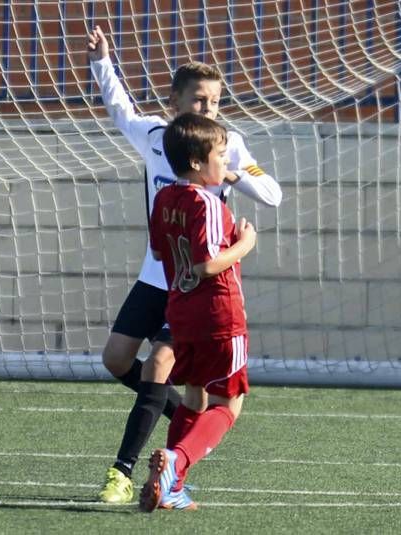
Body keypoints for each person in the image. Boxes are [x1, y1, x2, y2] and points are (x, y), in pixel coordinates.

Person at [87, 26, 282, 504]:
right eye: (198, 100)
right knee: (117, 360)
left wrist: (233, 172)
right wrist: (101, 63)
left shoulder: (227, 144)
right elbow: (120, 109)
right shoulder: (154, 136)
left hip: (197, 282)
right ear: (175, 101)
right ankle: (185, 432)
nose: (208, 109)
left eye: (214, 101)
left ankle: (124, 472)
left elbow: (273, 194)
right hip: (158, 277)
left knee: (159, 364)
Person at [139, 112, 255, 512]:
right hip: (218, 314)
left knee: (195, 397)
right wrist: (244, 244)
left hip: (181, 314)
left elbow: (158, 251)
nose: (226, 162)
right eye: (220, 155)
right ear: (196, 163)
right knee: (228, 404)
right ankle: (177, 460)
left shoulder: (165, 197)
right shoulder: (207, 202)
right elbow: (206, 265)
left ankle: (172, 487)